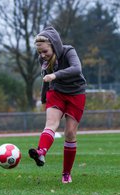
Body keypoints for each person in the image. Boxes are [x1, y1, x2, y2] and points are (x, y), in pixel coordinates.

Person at [28, 26, 86, 184]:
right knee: (51, 123)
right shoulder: (44, 59)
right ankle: (41, 152)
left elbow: (76, 68)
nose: (42, 55)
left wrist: (55, 75)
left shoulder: (69, 51)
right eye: (39, 53)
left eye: (45, 51)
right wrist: (43, 99)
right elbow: (45, 79)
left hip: (76, 93)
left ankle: (66, 173)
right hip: (56, 92)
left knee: (70, 133)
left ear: (54, 45)